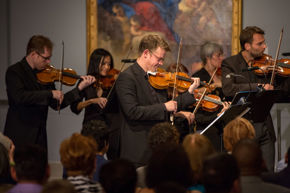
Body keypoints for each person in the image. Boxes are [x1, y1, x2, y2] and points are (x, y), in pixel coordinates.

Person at [115, 34, 200, 167]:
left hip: (158, 151)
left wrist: (189, 92)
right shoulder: (127, 78)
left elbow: (171, 105)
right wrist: (165, 107)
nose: (161, 63)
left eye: (162, 59)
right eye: (159, 59)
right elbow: (132, 111)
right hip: (138, 151)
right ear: (146, 53)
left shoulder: (157, 76)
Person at [4, 35, 95, 150]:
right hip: (20, 136)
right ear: (33, 55)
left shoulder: (46, 74)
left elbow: (56, 104)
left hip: (40, 137)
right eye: (45, 58)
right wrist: (50, 93)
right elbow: (20, 96)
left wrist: (79, 89)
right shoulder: (14, 71)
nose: (48, 62)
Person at [221, 26, 288, 171]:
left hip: (265, 127)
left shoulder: (267, 64)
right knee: (244, 172)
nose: (265, 47)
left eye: (264, 43)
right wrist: (258, 86)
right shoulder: (230, 64)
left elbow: (283, 92)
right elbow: (228, 89)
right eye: (260, 44)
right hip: (242, 127)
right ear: (247, 46)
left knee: (268, 172)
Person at [192, 42, 229, 150]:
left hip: (222, 124)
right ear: (208, 57)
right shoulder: (198, 76)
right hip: (208, 125)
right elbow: (194, 96)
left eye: (222, 55)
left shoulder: (222, 75)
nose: (222, 58)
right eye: (218, 55)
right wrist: (212, 86)